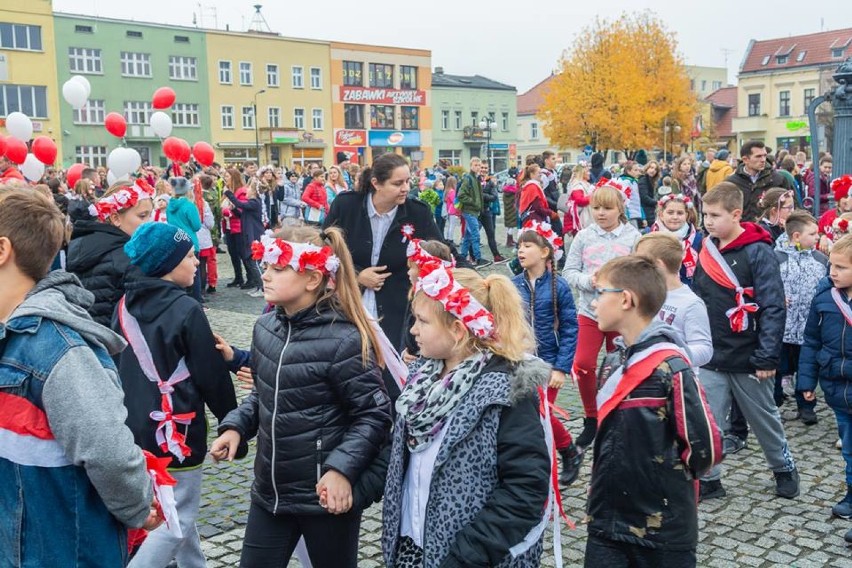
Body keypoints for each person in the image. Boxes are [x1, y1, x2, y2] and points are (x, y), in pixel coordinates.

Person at [209, 225, 392, 568]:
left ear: (312, 279)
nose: (265, 274)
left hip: (322, 498)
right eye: (266, 265)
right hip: (270, 494)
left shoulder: (344, 340)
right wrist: (235, 427)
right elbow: (265, 395)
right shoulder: (265, 328)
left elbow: (374, 415)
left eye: (278, 268)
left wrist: (340, 469)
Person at [0, 187, 160, 566]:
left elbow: (109, 452)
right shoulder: (11, 334)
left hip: (65, 552)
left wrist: (137, 507)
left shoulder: (60, 349)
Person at [367, 261, 551, 567]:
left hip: (468, 558)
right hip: (414, 545)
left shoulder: (505, 393)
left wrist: (469, 555)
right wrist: (355, 488)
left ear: (457, 330)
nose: (413, 330)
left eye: (422, 322)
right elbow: (399, 452)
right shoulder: (423, 380)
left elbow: (524, 488)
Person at [116, 222, 240, 568]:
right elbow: (210, 375)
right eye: (188, 256)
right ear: (166, 265)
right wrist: (232, 422)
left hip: (135, 425)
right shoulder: (187, 310)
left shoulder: (124, 304)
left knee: (171, 506)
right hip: (177, 430)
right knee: (177, 518)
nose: (197, 261)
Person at [585, 256, 721, 568]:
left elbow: (706, 448)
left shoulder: (672, 368)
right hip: (608, 521)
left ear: (625, 299)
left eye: (600, 293)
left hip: (662, 529)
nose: (593, 304)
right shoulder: (613, 363)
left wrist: (660, 481)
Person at [693, 182, 798, 501]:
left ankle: (783, 468)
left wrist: (768, 357)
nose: (708, 221)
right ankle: (710, 478)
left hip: (750, 354)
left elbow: (772, 304)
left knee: (764, 417)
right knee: (709, 420)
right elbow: (700, 296)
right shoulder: (706, 247)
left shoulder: (758, 250)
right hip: (712, 353)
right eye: (705, 214)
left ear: (736, 214)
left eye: (714, 215)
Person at [323, 152, 443, 354]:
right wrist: (357, 275)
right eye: (397, 183)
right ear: (376, 183)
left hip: (396, 307)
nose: (405, 188)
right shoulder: (346, 206)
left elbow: (440, 248)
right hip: (347, 303)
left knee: (390, 369)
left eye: (407, 181)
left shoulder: (417, 212)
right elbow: (325, 250)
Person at [563, 184, 641, 447]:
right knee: (583, 364)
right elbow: (569, 271)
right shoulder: (584, 237)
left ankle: (618, 414)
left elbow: (643, 271)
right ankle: (591, 417)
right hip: (590, 311)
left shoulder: (633, 237)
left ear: (620, 208)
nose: (600, 213)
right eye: (595, 208)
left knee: (621, 365)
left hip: (621, 313)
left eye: (607, 208)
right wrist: (588, 280)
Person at [513, 220, 583, 485]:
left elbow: (569, 328)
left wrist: (561, 367)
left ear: (545, 252)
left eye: (528, 245)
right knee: (529, 416)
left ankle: (567, 450)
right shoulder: (512, 284)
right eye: (519, 246)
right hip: (519, 362)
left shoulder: (560, 286)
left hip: (548, 363)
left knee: (541, 412)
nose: (521, 250)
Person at [798, 234, 852, 543]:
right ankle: (850, 495)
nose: (832, 272)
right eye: (831, 264)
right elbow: (811, 342)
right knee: (848, 450)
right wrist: (807, 380)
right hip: (837, 390)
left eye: (841, 267)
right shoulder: (823, 299)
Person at [66, 179, 154, 326]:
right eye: (142, 216)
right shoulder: (127, 258)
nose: (149, 222)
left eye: (150, 215)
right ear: (116, 218)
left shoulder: (86, 243)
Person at [773, 210, 826, 424]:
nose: (817, 237)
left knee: (807, 368)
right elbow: (766, 286)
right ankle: (774, 405)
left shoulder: (820, 260)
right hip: (781, 327)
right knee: (778, 368)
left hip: (809, 328)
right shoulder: (775, 258)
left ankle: (806, 405)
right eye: (813, 234)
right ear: (796, 236)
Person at [634, 233, 713, 369]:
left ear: (658, 265)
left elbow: (704, 350)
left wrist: (668, 357)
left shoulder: (691, 303)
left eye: (641, 262)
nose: (635, 267)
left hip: (675, 379)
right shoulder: (641, 294)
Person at [724, 140, 794, 222]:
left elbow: (793, 206)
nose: (763, 159)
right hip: (742, 231)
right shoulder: (731, 183)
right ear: (745, 159)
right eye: (758, 156)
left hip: (770, 232)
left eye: (764, 155)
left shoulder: (778, 179)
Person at [224, 172, 264, 295]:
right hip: (248, 234)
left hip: (254, 235)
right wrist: (235, 210)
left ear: (254, 192)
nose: (246, 190)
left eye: (249, 188)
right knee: (249, 261)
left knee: (254, 262)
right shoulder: (251, 203)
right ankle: (258, 286)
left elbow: (240, 204)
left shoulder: (254, 202)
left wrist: (228, 193)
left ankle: (263, 287)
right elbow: (242, 214)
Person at [650, 194, 703, 286]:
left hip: (689, 292)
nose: (675, 217)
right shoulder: (650, 237)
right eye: (670, 212)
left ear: (686, 215)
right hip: (658, 290)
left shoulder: (697, 239)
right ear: (661, 215)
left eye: (680, 213)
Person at [166, 177, 204, 303]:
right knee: (194, 273)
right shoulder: (189, 205)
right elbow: (197, 226)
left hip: (176, 240)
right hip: (190, 242)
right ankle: (196, 300)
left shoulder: (169, 205)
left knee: (179, 272)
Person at [456, 157, 491, 267]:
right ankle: (477, 258)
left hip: (473, 211)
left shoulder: (476, 178)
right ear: (471, 166)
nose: (478, 167)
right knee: (475, 234)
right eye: (475, 165)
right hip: (469, 210)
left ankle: (462, 257)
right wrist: (474, 203)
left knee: (468, 235)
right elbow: (461, 195)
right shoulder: (468, 178)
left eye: (479, 166)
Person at [562, 163, 594, 252]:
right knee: (582, 244)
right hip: (581, 219)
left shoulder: (583, 184)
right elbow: (580, 201)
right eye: (587, 171)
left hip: (583, 217)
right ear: (582, 172)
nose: (589, 173)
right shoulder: (578, 185)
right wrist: (593, 196)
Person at [196, 175, 219, 295]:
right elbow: (212, 220)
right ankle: (204, 288)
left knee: (198, 264)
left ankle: (196, 289)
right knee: (204, 263)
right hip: (205, 235)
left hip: (192, 237)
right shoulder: (204, 200)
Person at [818, 175, 852, 252]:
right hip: (826, 255)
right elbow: (819, 230)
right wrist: (823, 237)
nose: (849, 200)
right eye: (845, 197)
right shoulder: (828, 215)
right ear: (838, 199)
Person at [480, 163, 505, 262]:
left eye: (485, 168)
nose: (483, 169)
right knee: (472, 235)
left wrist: (482, 195)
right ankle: (472, 256)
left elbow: (494, 197)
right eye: (482, 167)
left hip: (487, 211)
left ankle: (496, 255)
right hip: (476, 211)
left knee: (491, 234)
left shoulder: (490, 182)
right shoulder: (475, 180)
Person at [518, 161, 552, 225]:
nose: (541, 175)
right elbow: (537, 206)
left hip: (533, 218)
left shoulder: (530, 185)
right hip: (534, 219)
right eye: (539, 173)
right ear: (532, 174)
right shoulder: (532, 187)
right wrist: (550, 213)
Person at [619, 160, 644, 228]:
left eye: (638, 170)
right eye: (635, 170)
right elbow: (624, 199)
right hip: (629, 214)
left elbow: (637, 200)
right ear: (628, 171)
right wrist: (626, 215)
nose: (638, 172)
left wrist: (643, 216)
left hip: (634, 213)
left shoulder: (634, 182)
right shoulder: (625, 182)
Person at [502, 167, 519, 247]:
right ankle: (509, 241)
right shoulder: (514, 184)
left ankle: (510, 240)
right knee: (511, 225)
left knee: (510, 225)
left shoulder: (505, 184)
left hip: (507, 208)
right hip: (512, 208)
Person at [443, 176, 460, 244]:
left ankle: (448, 238)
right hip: (453, 211)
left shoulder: (447, 191)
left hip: (449, 210)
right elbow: (454, 201)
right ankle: (450, 240)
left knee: (450, 225)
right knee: (452, 226)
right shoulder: (452, 191)